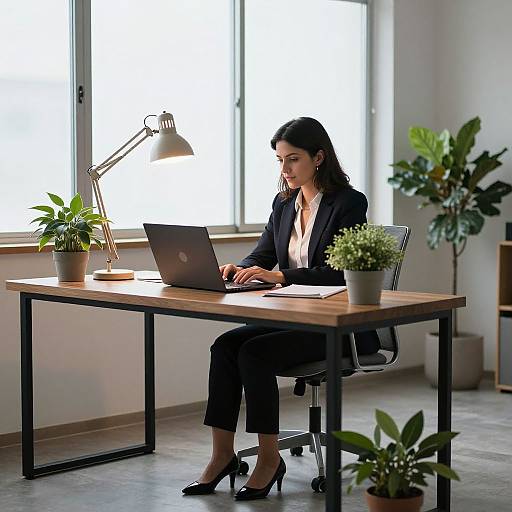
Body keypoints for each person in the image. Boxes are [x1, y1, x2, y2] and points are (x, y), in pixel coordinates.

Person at [182, 117, 380, 501]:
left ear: (318, 157)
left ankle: (269, 461)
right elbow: (264, 253)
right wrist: (238, 268)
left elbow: (340, 271)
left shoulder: (348, 203)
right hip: (292, 319)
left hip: (336, 326)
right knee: (225, 346)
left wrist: (279, 277)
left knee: (254, 353)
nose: (285, 170)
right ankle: (222, 456)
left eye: (292, 159)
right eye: (279, 161)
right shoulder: (284, 202)